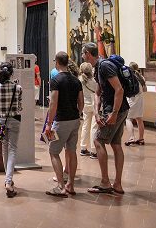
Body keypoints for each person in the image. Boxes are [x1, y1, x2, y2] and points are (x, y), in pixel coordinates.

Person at [81, 42, 128, 195]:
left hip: (116, 110)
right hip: (117, 109)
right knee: (115, 143)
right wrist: (96, 111)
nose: (82, 56)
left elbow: (119, 89)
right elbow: (97, 92)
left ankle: (106, 182)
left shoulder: (104, 66)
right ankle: (118, 184)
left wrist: (114, 113)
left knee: (98, 140)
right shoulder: (97, 68)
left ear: (88, 53)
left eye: (83, 53)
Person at [44, 52, 83, 197]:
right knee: (71, 152)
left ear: (57, 62)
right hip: (74, 120)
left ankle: (60, 185)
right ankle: (70, 184)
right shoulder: (76, 80)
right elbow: (81, 102)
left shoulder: (56, 80)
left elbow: (53, 103)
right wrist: (77, 115)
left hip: (61, 121)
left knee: (53, 152)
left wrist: (49, 123)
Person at [0, 61, 23, 198]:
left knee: (4, 148)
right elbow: (19, 106)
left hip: (0, 120)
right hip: (14, 120)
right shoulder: (18, 87)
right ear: (11, 74)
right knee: (13, 149)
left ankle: (8, 179)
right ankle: (8, 181)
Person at [124, 62, 147, 146]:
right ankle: (141, 139)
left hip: (132, 98)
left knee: (128, 118)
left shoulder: (130, 77)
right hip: (140, 99)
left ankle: (131, 137)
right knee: (139, 119)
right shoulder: (141, 77)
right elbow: (145, 90)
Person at [78, 62, 98, 158]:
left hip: (85, 104)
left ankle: (83, 147)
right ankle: (94, 150)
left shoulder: (80, 79)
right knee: (94, 127)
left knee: (85, 125)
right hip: (95, 104)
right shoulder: (94, 80)